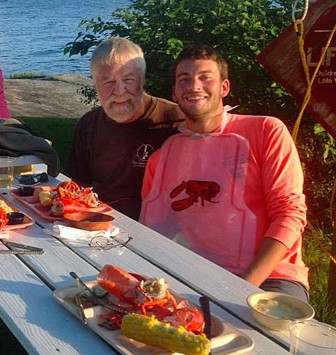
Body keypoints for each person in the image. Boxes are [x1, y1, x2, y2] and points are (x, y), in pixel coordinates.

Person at [140, 44, 309, 301]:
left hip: (272, 278)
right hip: (203, 272)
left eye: (205, 77)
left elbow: (290, 214)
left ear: (224, 88)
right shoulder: (160, 159)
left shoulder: (266, 131)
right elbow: (157, 227)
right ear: (174, 93)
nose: (194, 85)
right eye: (184, 79)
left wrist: (242, 288)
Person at [66, 38, 184, 220]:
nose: (119, 91)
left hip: (160, 229)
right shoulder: (89, 124)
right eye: (108, 82)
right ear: (95, 84)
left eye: (129, 80)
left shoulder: (176, 122)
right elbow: (76, 189)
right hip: (102, 222)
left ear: (143, 80)